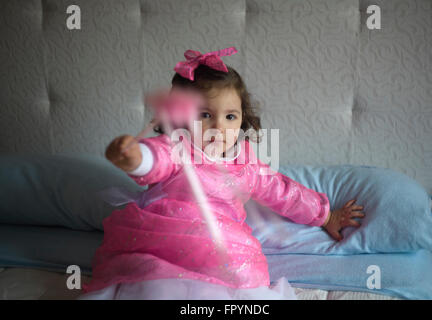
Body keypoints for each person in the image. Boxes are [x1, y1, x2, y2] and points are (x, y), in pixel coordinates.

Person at [78, 47, 365, 300]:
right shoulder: (177, 148)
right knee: (149, 280)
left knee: (241, 271)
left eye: (230, 116)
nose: (219, 126)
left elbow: (283, 192)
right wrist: (135, 158)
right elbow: (157, 160)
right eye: (204, 115)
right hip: (164, 243)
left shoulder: (247, 164)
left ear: (242, 118)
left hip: (221, 246)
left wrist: (325, 215)